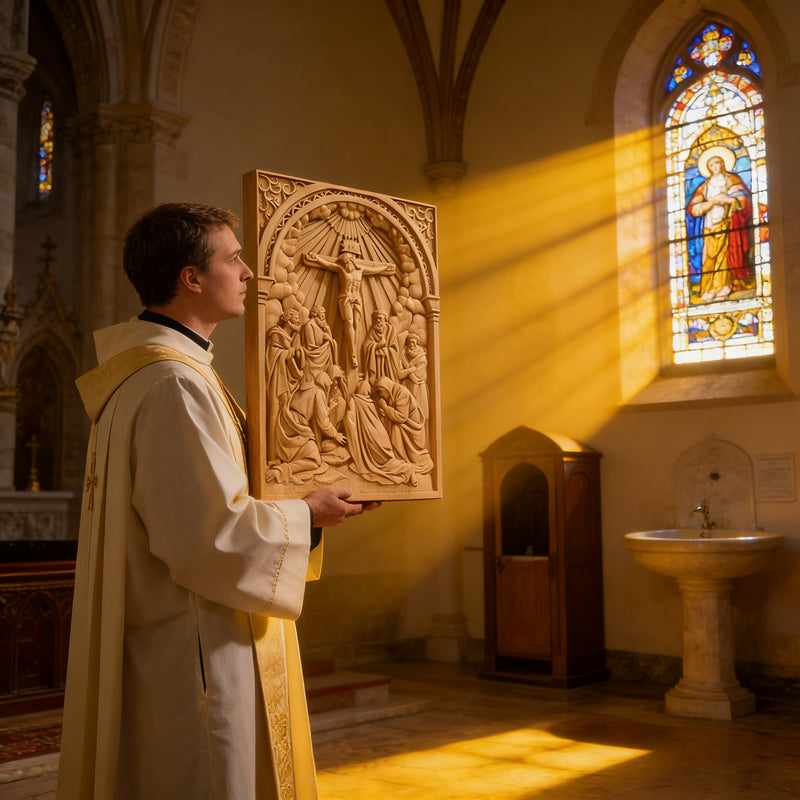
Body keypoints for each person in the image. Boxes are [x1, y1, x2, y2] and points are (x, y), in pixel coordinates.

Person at [57, 202, 378, 800]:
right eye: (234, 259)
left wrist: (308, 492)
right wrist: (309, 513)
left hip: (185, 632)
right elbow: (209, 535)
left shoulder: (163, 374)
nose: (249, 272)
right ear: (191, 278)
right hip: (196, 642)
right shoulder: (175, 384)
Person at [687, 145, 753, 302]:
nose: (714, 167)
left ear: (723, 163)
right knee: (708, 258)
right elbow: (694, 208)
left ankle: (724, 287)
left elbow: (744, 199)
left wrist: (730, 200)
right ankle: (708, 289)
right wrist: (710, 203)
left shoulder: (733, 180)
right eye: (711, 165)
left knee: (724, 257)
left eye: (717, 163)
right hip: (709, 225)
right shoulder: (705, 186)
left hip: (727, 223)